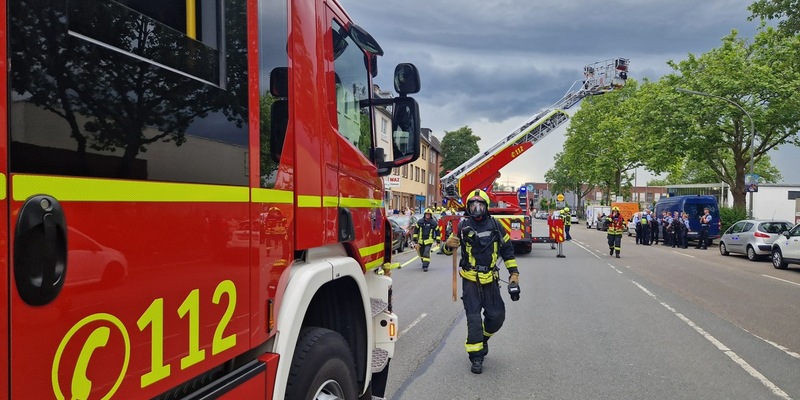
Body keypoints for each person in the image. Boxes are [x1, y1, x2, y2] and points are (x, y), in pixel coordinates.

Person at [443, 189, 519, 374]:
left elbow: (507, 251)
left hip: (491, 280)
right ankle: (476, 357)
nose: (476, 209)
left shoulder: (496, 225)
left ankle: (482, 339)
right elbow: (447, 250)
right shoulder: (462, 226)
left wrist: (514, 274)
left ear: (486, 207)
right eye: (473, 205)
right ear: (469, 207)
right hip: (470, 281)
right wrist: (447, 245)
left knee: (497, 317)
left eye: (480, 205)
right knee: (474, 320)